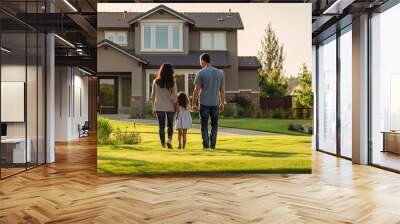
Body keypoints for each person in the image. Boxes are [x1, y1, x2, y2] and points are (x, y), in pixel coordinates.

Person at [192, 53, 225, 149]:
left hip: (204, 104)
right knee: (214, 125)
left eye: (200, 62)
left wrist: (193, 103)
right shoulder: (220, 73)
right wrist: (222, 103)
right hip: (215, 103)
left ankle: (206, 144)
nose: (200, 64)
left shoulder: (201, 73)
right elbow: (222, 91)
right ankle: (213, 144)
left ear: (203, 60)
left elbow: (196, 90)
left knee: (204, 125)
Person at [151, 63, 178, 149]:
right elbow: (174, 97)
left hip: (159, 107)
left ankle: (163, 144)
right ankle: (169, 140)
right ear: (171, 71)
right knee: (170, 125)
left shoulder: (155, 81)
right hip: (170, 107)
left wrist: (153, 107)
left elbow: (153, 96)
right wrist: (176, 106)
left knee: (161, 126)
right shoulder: (173, 82)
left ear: (161, 71)